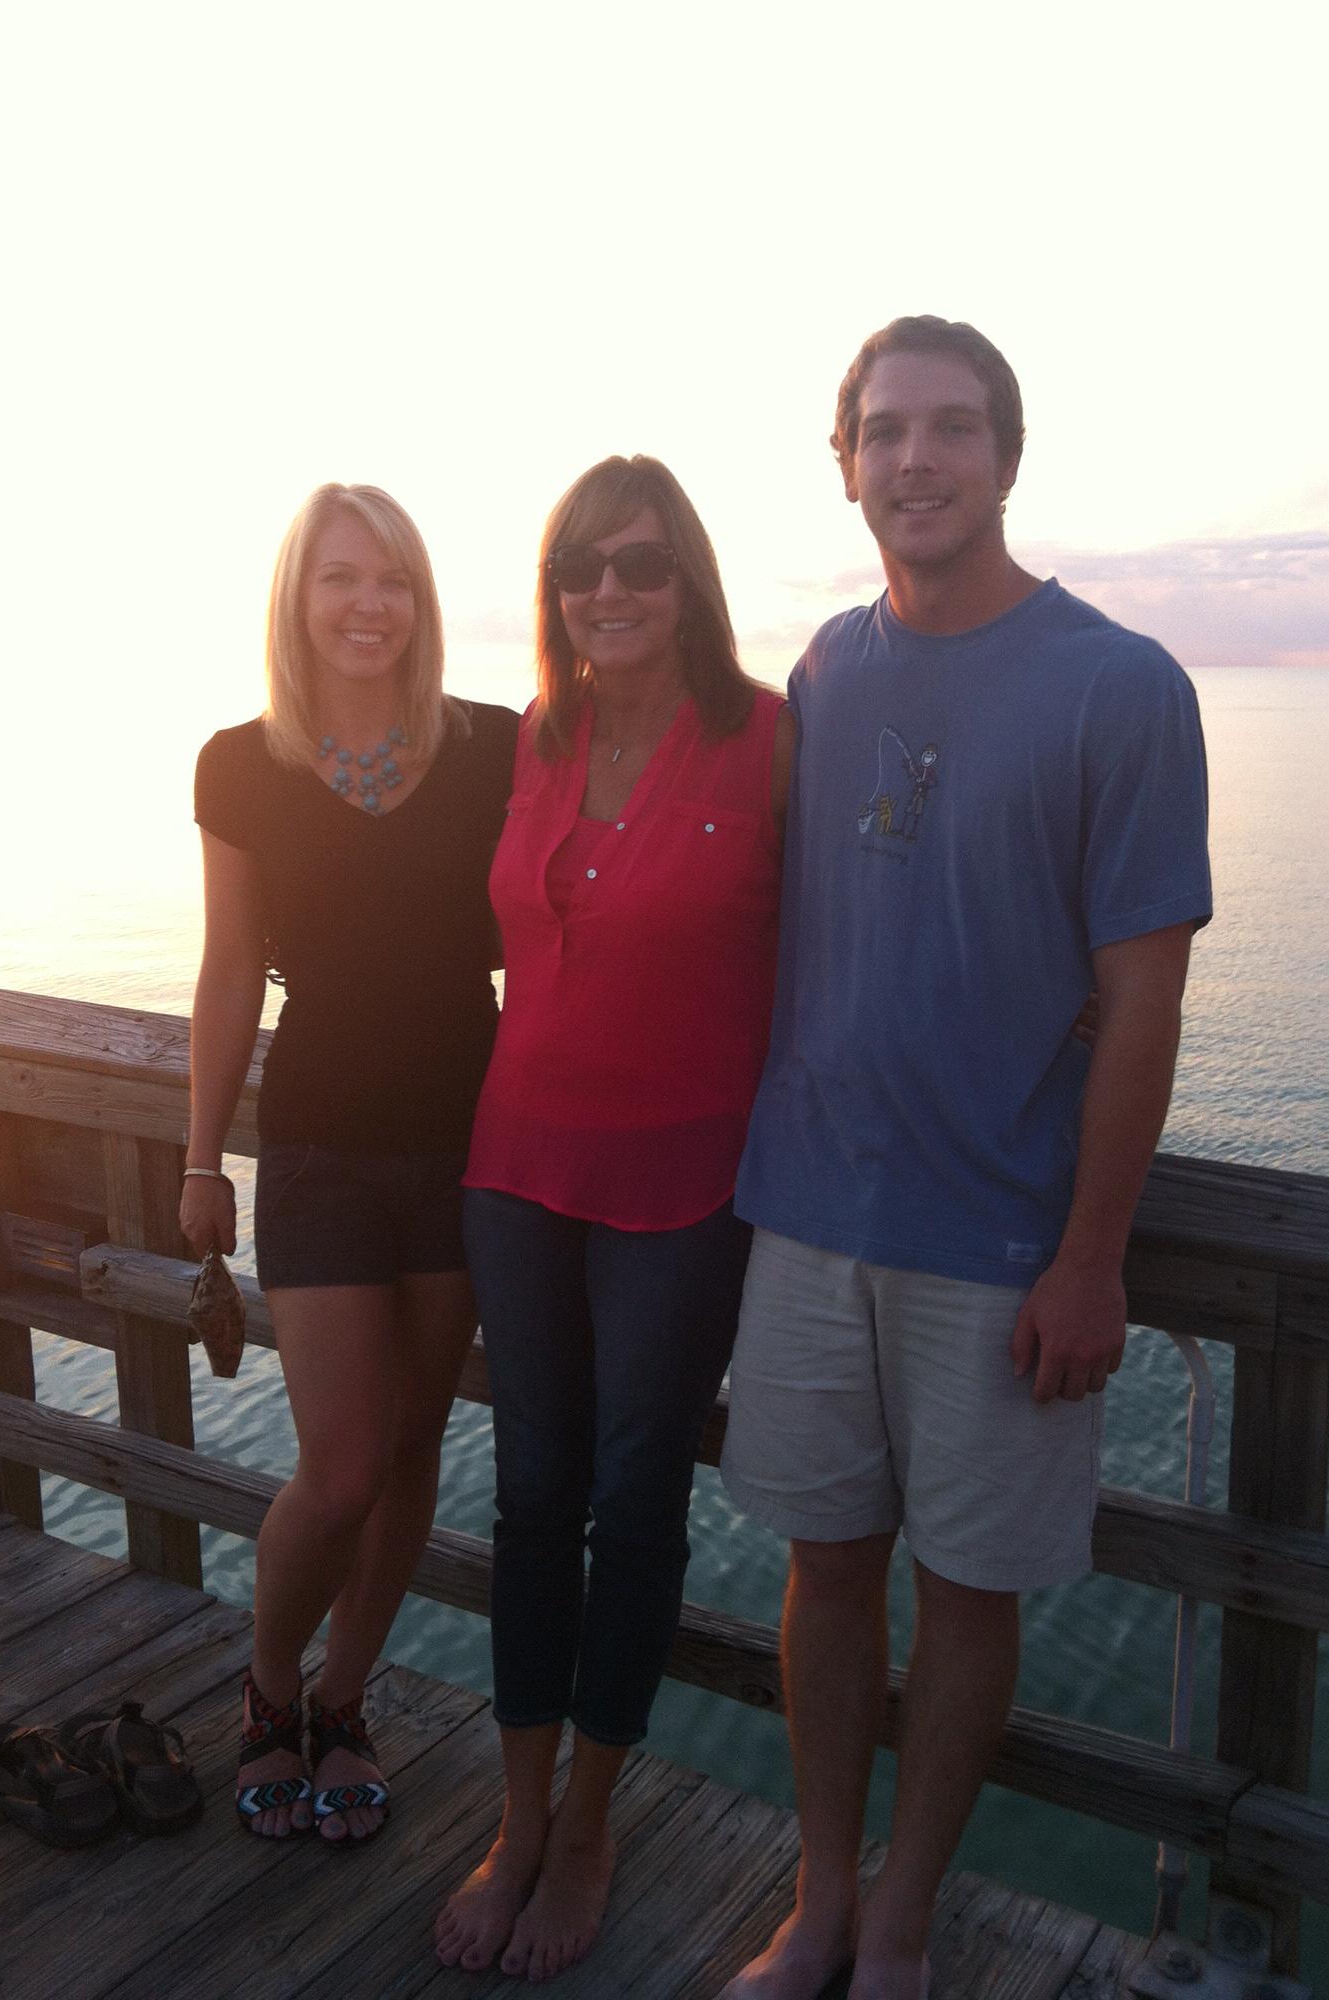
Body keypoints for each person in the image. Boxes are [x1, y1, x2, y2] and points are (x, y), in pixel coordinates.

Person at [719, 317, 1213, 2000]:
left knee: (970, 1592)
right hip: (805, 1216)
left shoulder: (1120, 685)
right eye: (882, 432)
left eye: (949, 429)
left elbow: (1142, 1003)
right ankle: (819, 1899)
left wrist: (1092, 1253)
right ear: (843, 462)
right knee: (823, 1570)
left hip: (1001, 1242)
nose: (913, 461)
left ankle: (908, 1917)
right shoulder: (821, 674)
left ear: (1007, 456)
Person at [434, 455, 792, 1981]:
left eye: (640, 563)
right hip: (516, 1166)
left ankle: (590, 1820)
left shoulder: (770, 738)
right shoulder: (538, 736)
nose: (609, 591)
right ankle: (518, 1821)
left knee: (636, 1498)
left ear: (688, 579)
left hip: (683, 1188)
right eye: (582, 565)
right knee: (529, 1497)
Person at [181, 483, 516, 1845]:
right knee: (339, 1465)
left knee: (417, 1446)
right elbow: (222, 971)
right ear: (297, 599)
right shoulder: (239, 764)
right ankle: (268, 1692)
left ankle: (344, 1698)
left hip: (463, 1144)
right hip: (315, 1148)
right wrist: (200, 1155)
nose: (367, 603)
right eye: (339, 578)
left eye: (391, 579)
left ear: (422, 602)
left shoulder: (494, 747)